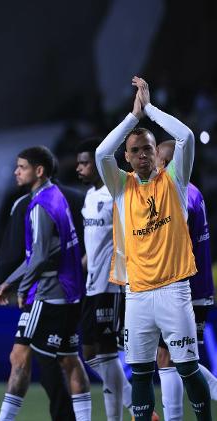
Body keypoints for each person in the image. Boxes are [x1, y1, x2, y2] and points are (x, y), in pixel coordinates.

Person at [95, 76, 211, 421]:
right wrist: (133, 118)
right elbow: (102, 152)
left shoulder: (175, 181)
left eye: (148, 148)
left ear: (157, 154)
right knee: (142, 372)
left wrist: (150, 110)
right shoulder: (120, 187)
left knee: (188, 368)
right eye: (135, 150)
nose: (143, 154)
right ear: (127, 158)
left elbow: (186, 136)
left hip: (175, 289)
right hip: (138, 295)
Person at [0, 145, 91, 421]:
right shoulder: (55, 196)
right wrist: (11, 282)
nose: (15, 172)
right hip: (69, 292)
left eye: (21, 167)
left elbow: (38, 255)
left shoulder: (41, 205)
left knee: (42, 362)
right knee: (64, 359)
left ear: (39, 171)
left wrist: (22, 288)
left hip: (47, 294)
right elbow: (41, 252)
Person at [155, 139, 217, 418]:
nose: (149, 162)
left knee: (176, 358)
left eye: (154, 157)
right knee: (175, 358)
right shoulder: (193, 192)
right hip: (197, 289)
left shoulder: (180, 198)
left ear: (165, 163)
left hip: (185, 291)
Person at [77, 139, 134, 421]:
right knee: (89, 352)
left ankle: (118, 417)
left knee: (106, 350)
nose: (79, 167)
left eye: (85, 162)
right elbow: (94, 241)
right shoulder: (88, 197)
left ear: (100, 165)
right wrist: (83, 264)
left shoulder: (116, 194)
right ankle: (134, 404)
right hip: (91, 284)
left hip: (111, 283)